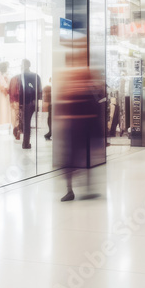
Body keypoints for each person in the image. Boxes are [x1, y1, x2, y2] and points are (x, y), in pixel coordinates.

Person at [58, 66, 105, 201]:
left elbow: (96, 110)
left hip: (79, 130)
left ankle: (75, 189)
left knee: (76, 160)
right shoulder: (84, 89)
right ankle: (73, 189)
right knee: (73, 161)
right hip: (76, 130)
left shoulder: (87, 89)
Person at [18, 59, 42, 149]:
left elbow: (19, 91)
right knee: (26, 123)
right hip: (32, 101)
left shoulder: (20, 76)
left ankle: (25, 143)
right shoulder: (35, 76)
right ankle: (26, 142)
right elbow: (39, 91)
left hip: (25, 102)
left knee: (25, 123)